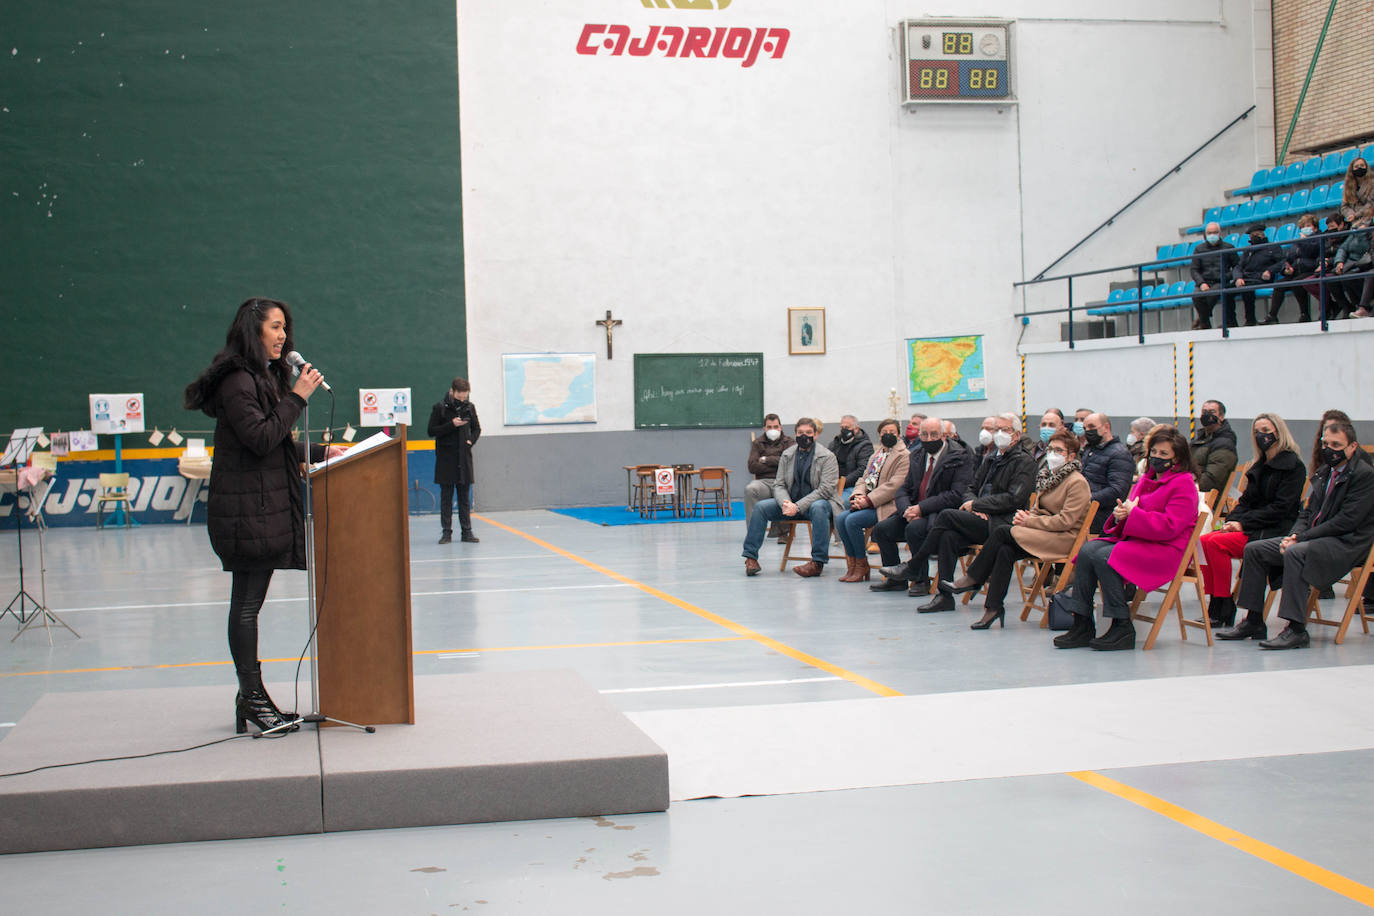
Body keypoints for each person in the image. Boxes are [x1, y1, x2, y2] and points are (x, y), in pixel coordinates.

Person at [183, 297, 343, 734]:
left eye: (285, 328)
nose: (283, 337)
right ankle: (252, 697)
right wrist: (298, 396)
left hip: (259, 507)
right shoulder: (238, 381)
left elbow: (276, 441)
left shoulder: (258, 378)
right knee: (247, 606)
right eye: (275, 327)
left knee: (250, 604)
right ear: (253, 330)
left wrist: (322, 450)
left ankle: (250, 697)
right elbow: (259, 437)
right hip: (244, 511)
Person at [1221, 419, 1374, 648]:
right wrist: (1293, 535)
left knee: (1296, 553)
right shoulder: (1325, 471)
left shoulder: (1365, 475)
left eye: (1336, 444)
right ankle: (1253, 620)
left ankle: (1296, 628)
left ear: (1352, 447)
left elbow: (1346, 521)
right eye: (1326, 443)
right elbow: (1307, 512)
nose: (1329, 450)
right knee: (1254, 549)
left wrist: (1301, 539)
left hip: (1347, 543)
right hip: (1316, 538)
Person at [1054, 425, 1200, 651]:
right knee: (1087, 551)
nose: (1156, 457)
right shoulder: (1145, 479)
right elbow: (1130, 511)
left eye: (1164, 454)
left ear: (1177, 458)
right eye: (1154, 452)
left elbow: (1170, 526)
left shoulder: (1183, 484)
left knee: (1105, 556)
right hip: (1141, 540)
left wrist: (1134, 515)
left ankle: (1122, 626)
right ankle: (1082, 623)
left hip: (1166, 549)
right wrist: (1120, 515)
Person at [884, 413, 1036, 611]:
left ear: (1015, 435)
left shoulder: (1024, 462)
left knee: (947, 515)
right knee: (948, 535)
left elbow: (1013, 499)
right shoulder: (992, 458)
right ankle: (944, 597)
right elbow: (970, 487)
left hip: (1003, 523)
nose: (998, 434)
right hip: (981, 517)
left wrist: (979, 506)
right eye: (995, 429)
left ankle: (914, 565)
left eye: (1003, 430)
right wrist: (972, 503)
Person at [941, 429, 1091, 629]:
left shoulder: (1077, 482)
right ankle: (993, 608)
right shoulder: (1050, 477)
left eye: (1058, 450)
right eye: (1050, 449)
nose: (1052, 454)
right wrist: (1028, 517)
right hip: (1043, 534)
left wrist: (1030, 521)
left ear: (1071, 455)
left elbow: (1065, 522)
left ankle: (973, 577)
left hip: (1064, 539)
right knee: (1005, 550)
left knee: (1003, 531)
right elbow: (1038, 510)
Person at [1197, 414, 1305, 628]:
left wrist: (1243, 524)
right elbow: (1245, 501)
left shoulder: (1294, 466)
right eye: (1257, 431)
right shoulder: (1260, 465)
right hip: (1251, 525)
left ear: (1279, 432)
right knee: (1203, 541)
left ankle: (1223, 603)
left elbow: (1281, 508)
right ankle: (1217, 602)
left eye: (1266, 430)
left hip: (1273, 529)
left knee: (1214, 543)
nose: (1261, 435)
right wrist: (1233, 521)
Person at [869, 417, 976, 595]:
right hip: (913, 510)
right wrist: (906, 510)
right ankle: (896, 580)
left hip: (938, 513)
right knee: (881, 530)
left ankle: (921, 581)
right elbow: (904, 488)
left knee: (914, 530)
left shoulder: (958, 456)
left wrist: (921, 509)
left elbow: (955, 495)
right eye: (924, 434)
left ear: (943, 436)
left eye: (934, 434)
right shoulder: (917, 455)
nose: (928, 438)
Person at [741, 418, 843, 578]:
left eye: (809, 433)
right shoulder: (787, 455)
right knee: (761, 508)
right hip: (790, 504)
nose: (804, 436)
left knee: (818, 507)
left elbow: (825, 489)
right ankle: (751, 558)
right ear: (795, 434)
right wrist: (786, 503)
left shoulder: (827, 457)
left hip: (817, 504)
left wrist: (798, 506)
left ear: (816, 435)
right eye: (800, 433)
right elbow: (779, 484)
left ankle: (817, 562)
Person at [835, 419, 910, 582]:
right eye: (884, 433)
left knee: (852, 521)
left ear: (899, 434)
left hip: (888, 505)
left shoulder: (904, 456)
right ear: (879, 435)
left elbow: (894, 485)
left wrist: (868, 501)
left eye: (892, 433)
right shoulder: (877, 455)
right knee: (840, 519)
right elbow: (863, 478)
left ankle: (862, 564)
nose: (888, 435)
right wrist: (857, 496)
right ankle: (854, 564)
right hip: (868, 501)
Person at [429, 378, 482, 544]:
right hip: (446, 459)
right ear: (452, 391)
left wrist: (470, 441)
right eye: (460, 396)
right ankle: (446, 533)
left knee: (464, 498)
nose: (462, 400)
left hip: (464, 459)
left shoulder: (469, 407)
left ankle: (467, 532)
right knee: (446, 498)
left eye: (465, 396)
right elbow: (431, 431)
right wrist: (451, 425)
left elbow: (477, 428)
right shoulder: (440, 408)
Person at [1079, 413, 1134, 532]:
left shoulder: (1120, 454)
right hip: (1083, 509)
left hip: (1101, 515)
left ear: (1106, 427)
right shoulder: (1089, 450)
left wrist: (1086, 500)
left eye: (1092, 427)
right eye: (1085, 428)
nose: (1088, 431)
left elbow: (1117, 490)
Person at [745, 413, 794, 527]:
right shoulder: (757, 443)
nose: (773, 430)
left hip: (783, 482)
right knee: (750, 489)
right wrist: (779, 462)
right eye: (769, 427)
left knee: (786, 494)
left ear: (780, 427)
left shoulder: (789, 442)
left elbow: (790, 463)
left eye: (776, 427)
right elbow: (752, 466)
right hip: (763, 482)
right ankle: (754, 531)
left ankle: (783, 533)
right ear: (764, 428)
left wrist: (765, 459)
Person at [1232, 224, 1285, 326]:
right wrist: (1238, 277)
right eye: (1252, 235)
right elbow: (1238, 266)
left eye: (1257, 234)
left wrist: (1270, 271)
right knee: (1227, 290)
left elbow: (1281, 262)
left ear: (1263, 234)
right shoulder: (1248, 250)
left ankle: (1250, 320)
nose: (1254, 237)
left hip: (1261, 277)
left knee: (1246, 288)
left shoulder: (1273, 247)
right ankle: (1230, 321)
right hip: (1246, 278)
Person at [1190, 221, 1239, 329]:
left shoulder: (1228, 247)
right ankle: (1205, 322)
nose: (1212, 235)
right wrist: (1201, 283)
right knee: (1196, 296)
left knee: (1213, 294)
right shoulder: (1199, 249)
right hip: (1204, 282)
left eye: (1215, 232)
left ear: (1220, 233)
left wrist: (1227, 276)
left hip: (1220, 281)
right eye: (1209, 233)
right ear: (1205, 234)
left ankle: (1202, 320)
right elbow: (1194, 269)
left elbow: (1237, 266)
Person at [1275, 213, 1320, 323]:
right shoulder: (1297, 242)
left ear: (1315, 227)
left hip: (1310, 269)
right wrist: (1286, 269)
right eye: (1303, 227)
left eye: (1308, 225)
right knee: (1278, 285)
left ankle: (1304, 313)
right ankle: (1272, 315)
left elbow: (1311, 252)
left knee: (1297, 282)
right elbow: (1288, 258)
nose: (1305, 228)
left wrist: (1304, 241)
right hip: (1296, 271)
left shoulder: (1318, 238)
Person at [1190, 399, 1238, 495]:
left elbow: (1211, 480)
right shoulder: (1199, 440)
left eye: (1212, 412)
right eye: (1204, 412)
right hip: (1191, 488)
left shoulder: (1225, 444)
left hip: (1204, 497)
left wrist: (1182, 484)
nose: (1207, 415)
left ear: (1221, 416)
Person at [1329, 216, 1372, 319]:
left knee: (1369, 275)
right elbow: (1343, 249)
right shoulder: (1353, 234)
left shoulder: (1369, 233)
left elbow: (1367, 249)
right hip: (1355, 264)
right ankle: (1357, 306)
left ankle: (1364, 307)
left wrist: (1364, 233)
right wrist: (1339, 262)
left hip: (1367, 263)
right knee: (1343, 277)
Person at [830, 415, 873, 501]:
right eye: (842, 427)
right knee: (818, 504)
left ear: (856, 429)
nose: (843, 430)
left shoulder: (865, 446)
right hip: (833, 485)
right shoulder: (836, 442)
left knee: (837, 503)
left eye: (847, 427)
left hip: (852, 486)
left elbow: (863, 469)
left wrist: (842, 482)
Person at [1340, 156, 1374, 225]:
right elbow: (1344, 206)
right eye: (1356, 166)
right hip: (1353, 220)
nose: (1359, 168)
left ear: (1366, 167)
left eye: (1362, 165)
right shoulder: (1347, 186)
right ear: (1352, 169)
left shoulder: (1372, 183)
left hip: (1368, 217)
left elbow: (1371, 204)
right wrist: (1350, 214)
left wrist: (1355, 215)